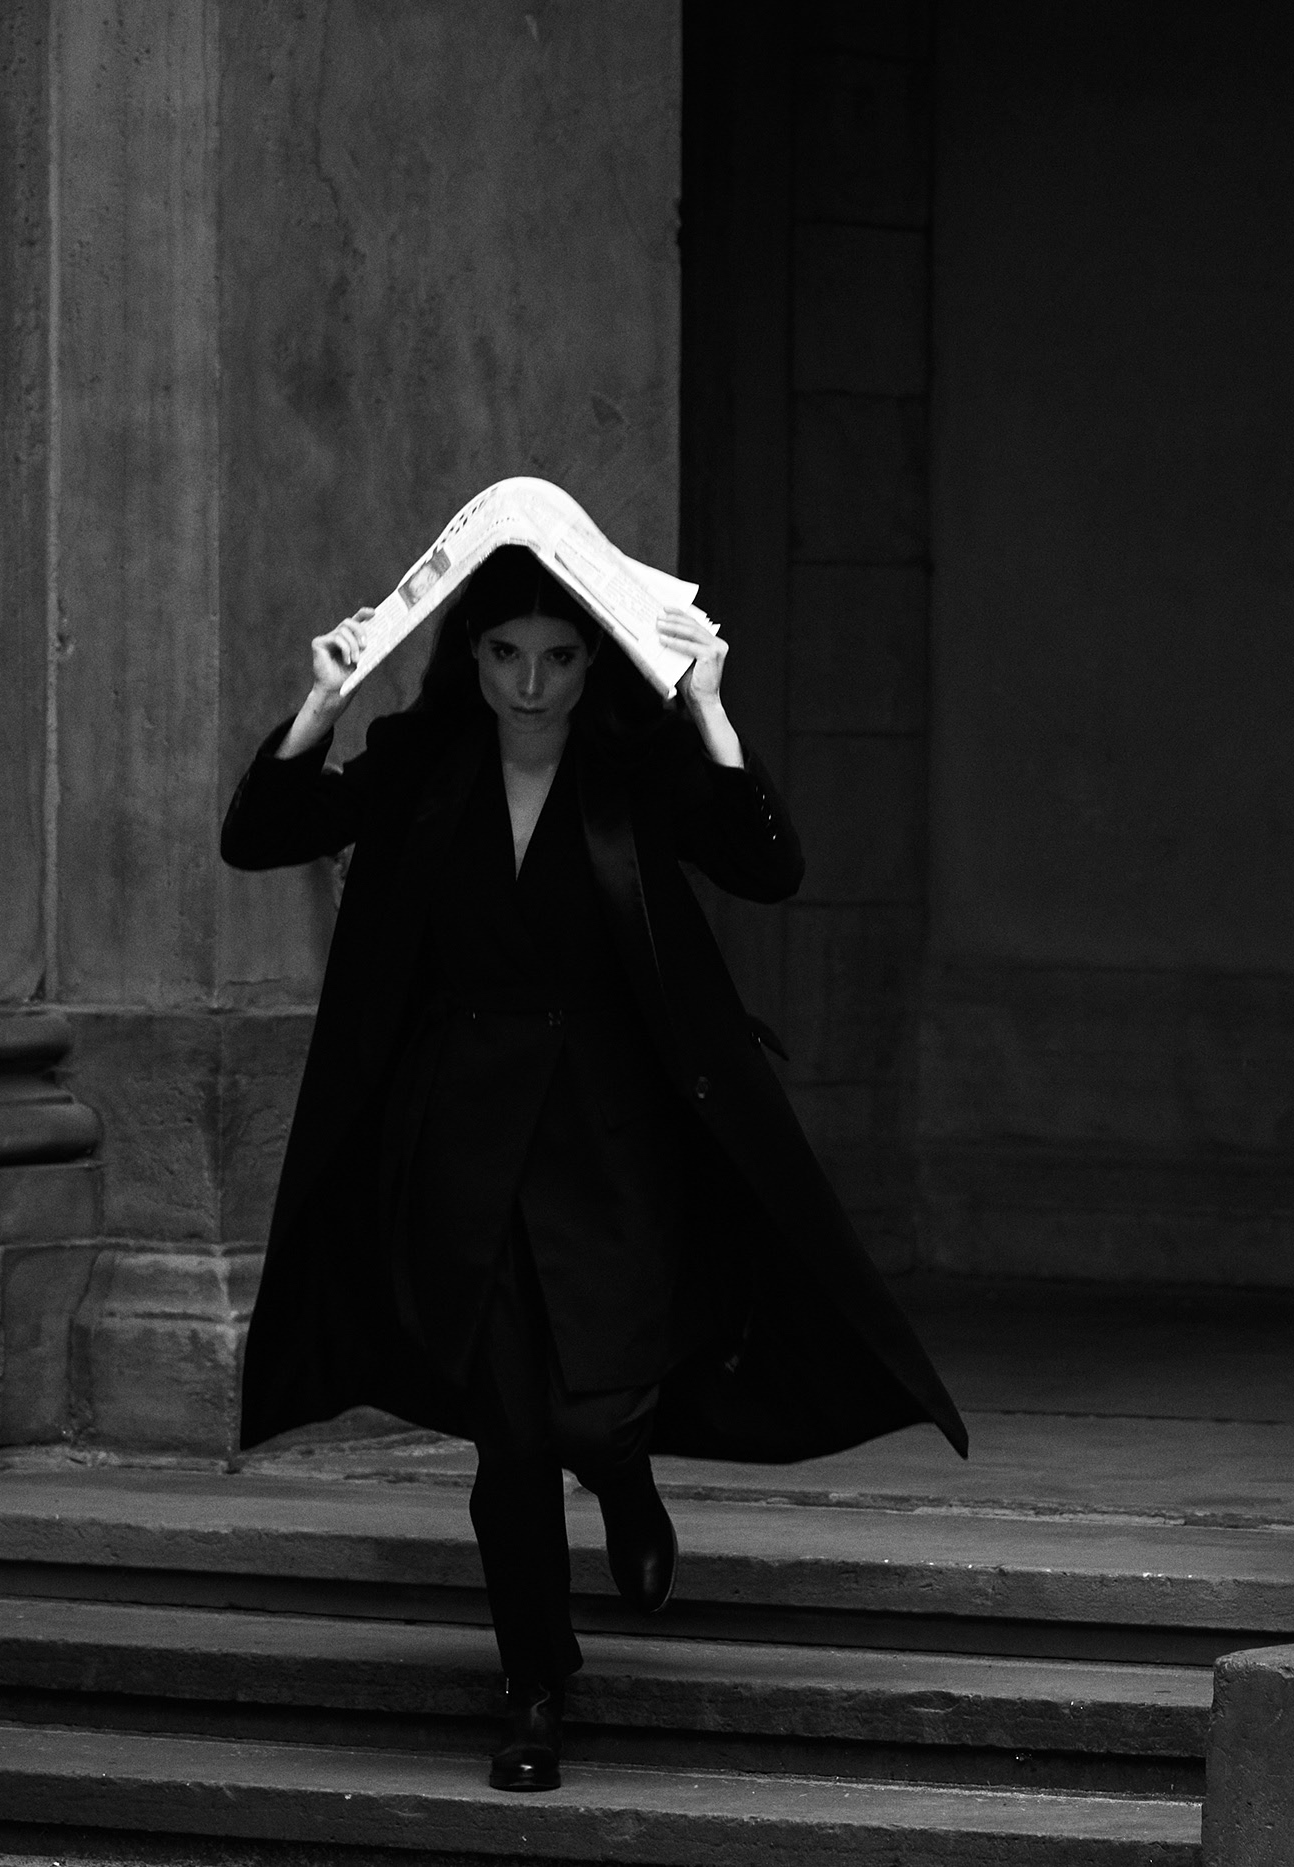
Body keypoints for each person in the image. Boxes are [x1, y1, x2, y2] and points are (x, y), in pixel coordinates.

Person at [222, 545, 966, 1791]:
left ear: (591, 662)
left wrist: (709, 706)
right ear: (469, 657)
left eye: (559, 657)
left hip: (615, 1141)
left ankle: (621, 1476)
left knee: (591, 1410)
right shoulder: (417, 764)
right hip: (462, 1149)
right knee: (511, 1436)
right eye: (506, 655)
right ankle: (533, 1686)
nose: (531, 684)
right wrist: (322, 702)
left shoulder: (637, 765)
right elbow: (259, 836)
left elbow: (769, 867)